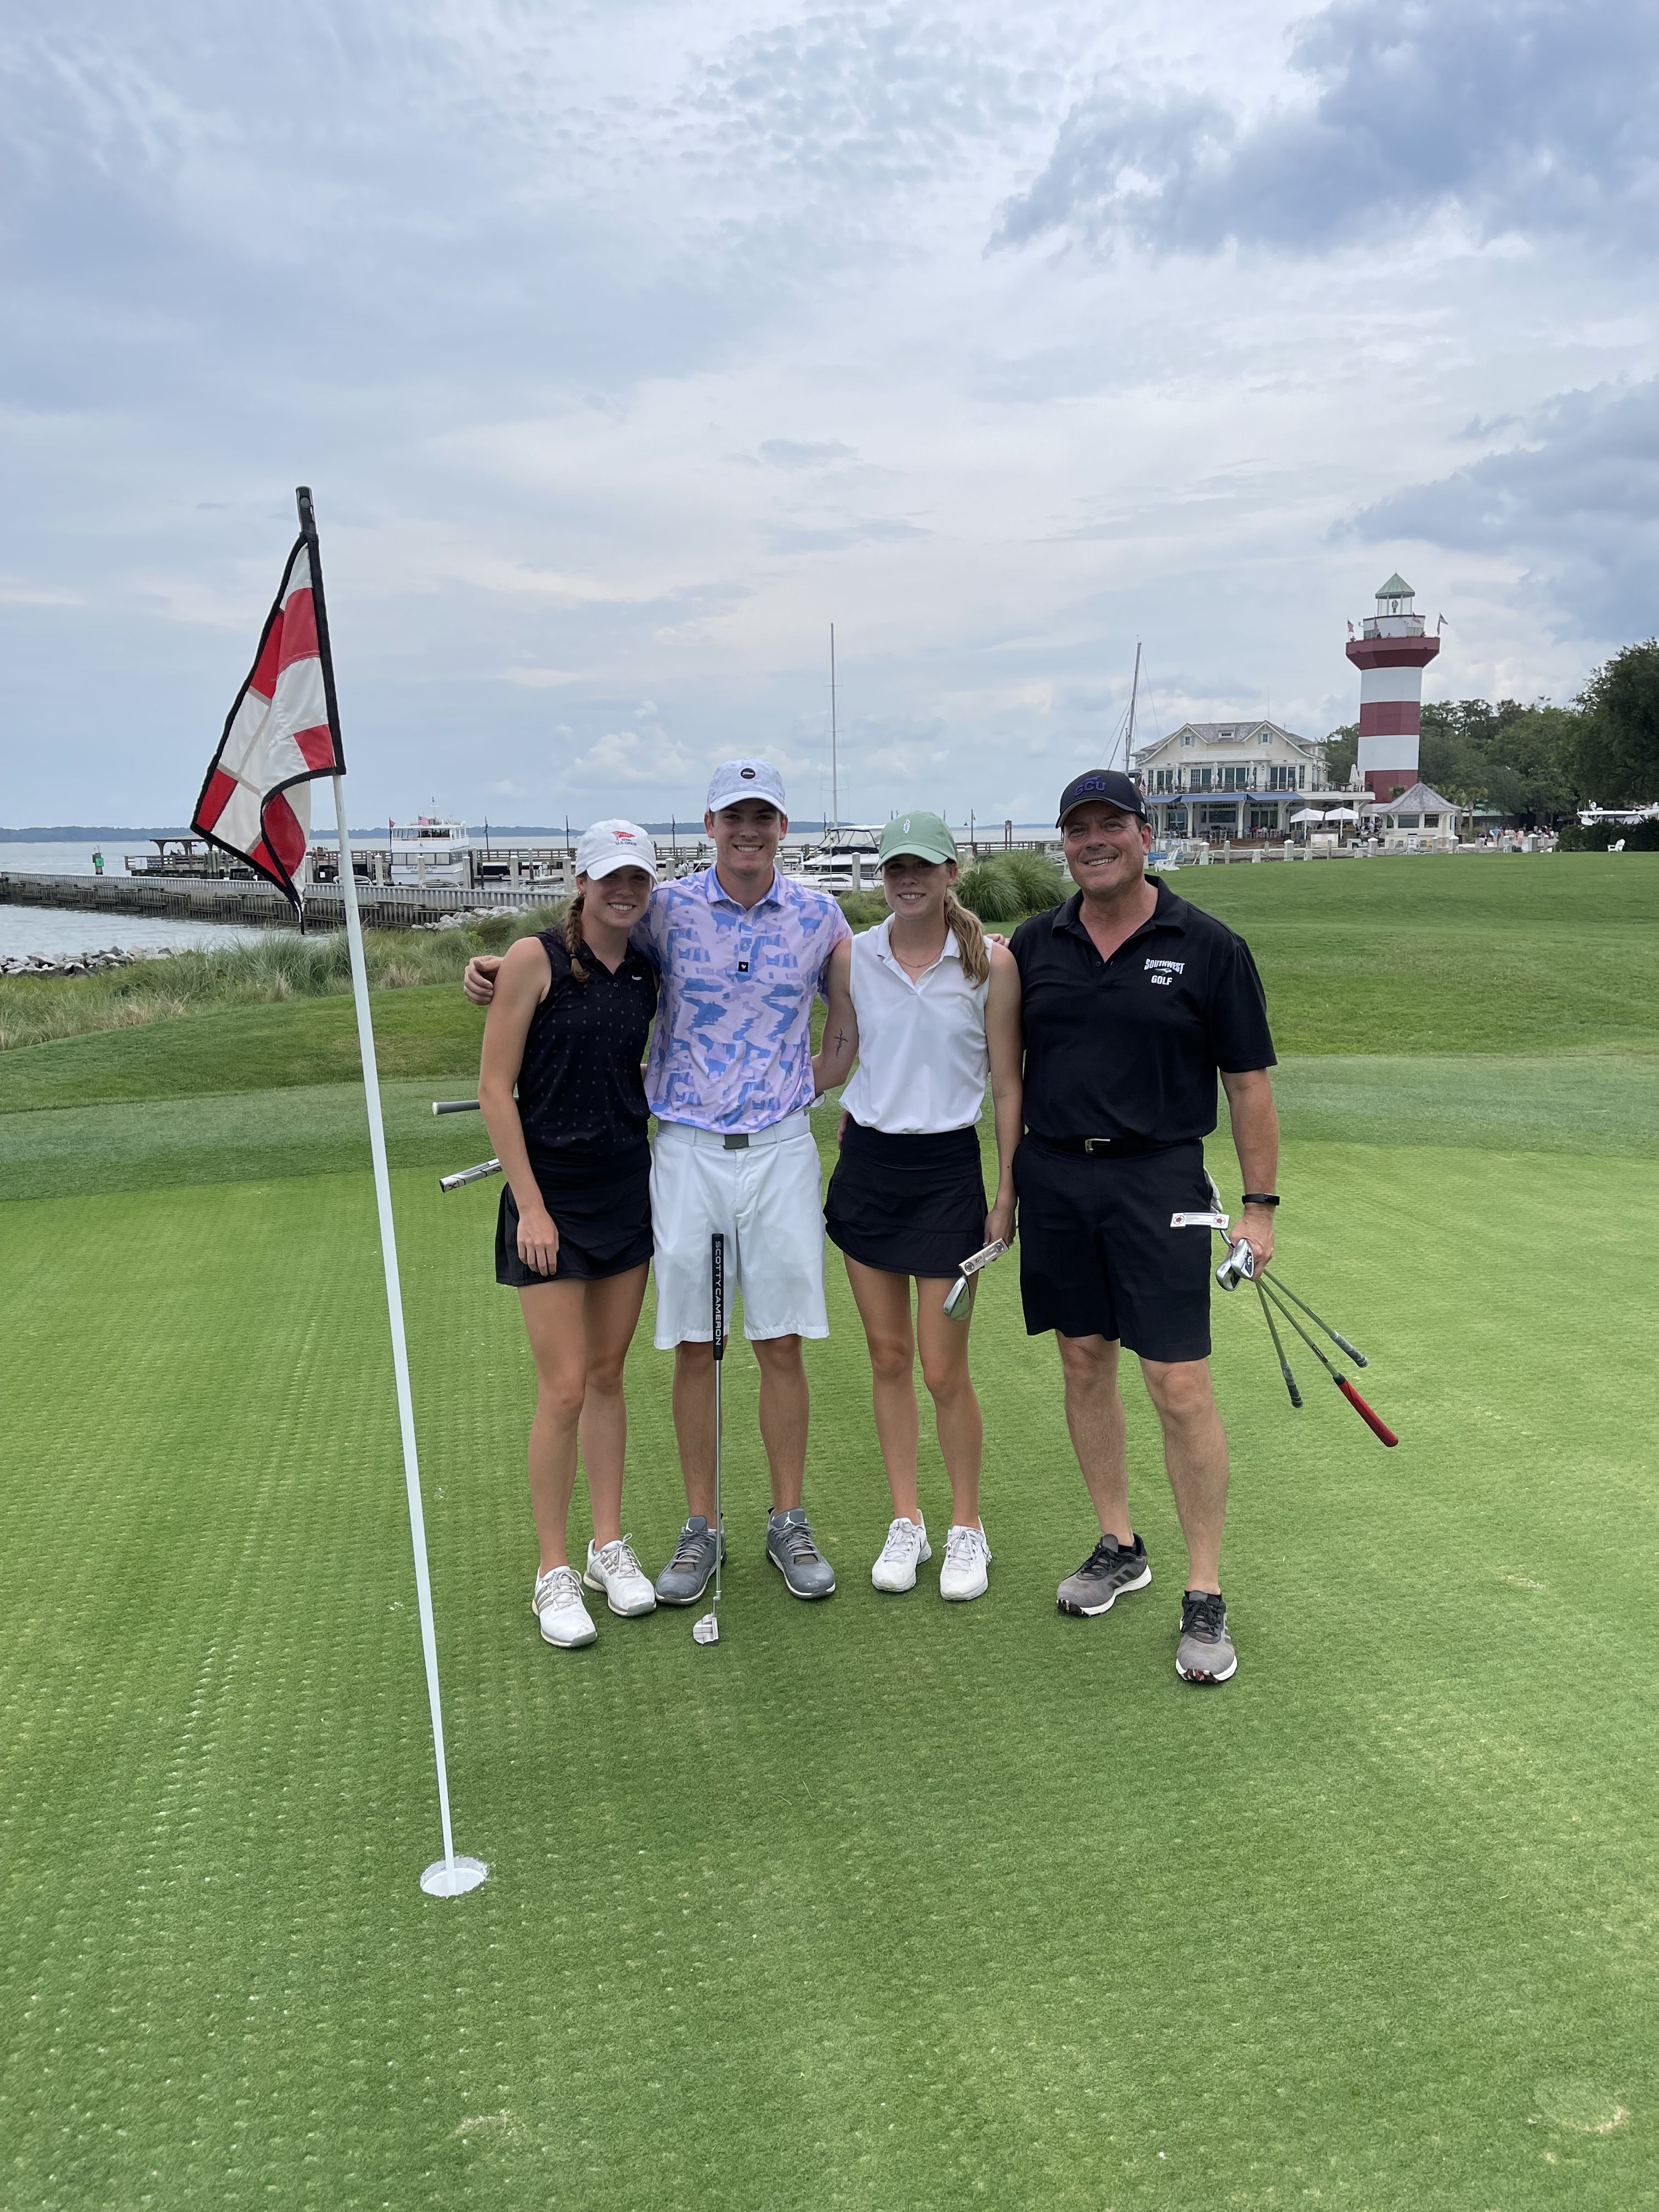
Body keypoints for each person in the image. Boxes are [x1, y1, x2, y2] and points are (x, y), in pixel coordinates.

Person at [467, 761, 851, 1604]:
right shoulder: (666, 909)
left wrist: (804, 1085)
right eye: (733, 816)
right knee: (693, 1344)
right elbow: (581, 946)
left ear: (782, 827)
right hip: (683, 1150)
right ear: (708, 823)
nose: (749, 830)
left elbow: (857, 1017)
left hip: (780, 1149)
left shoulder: (822, 916)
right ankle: (700, 1528)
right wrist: (497, 968)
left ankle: (787, 1522)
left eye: (765, 816)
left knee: (779, 1341)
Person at [1009, 769, 1280, 1685]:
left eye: (1110, 825)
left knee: (1178, 1383)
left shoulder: (1207, 945)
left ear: (1144, 832)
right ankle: (1120, 1544)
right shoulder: (1033, 942)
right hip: (1054, 1176)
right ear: (1064, 842)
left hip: (1160, 1176)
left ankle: (1204, 1590)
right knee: (1083, 1359)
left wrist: (1259, 1206)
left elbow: (1247, 1083)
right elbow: (1005, 1072)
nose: (1094, 840)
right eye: (1077, 827)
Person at [811, 811, 1022, 1601]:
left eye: (923, 867)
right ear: (882, 873)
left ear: (949, 874)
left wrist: (1007, 1191)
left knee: (943, 1370)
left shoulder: (991, 965)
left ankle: (968, 1526)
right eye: (895, 866)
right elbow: (838, 1054)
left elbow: (1007, 1084)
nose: (908, 879)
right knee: (889, 1359)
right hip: (868, 1167)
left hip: (946, 1177)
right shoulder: (851, 957)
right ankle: (910, 1520)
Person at [476, 820, 662, 1649]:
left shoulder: (647, 967)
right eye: (610, 877)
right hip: (548, 1196)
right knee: (562, 1389)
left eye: (638, 879)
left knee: (608, 1374)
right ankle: (552, 1568)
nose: (624, 891)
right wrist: (532, 1205)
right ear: (580, 879)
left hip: (626, 1186)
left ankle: (606, 1546)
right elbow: (493, 1088)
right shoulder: (533, 958)